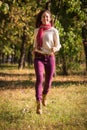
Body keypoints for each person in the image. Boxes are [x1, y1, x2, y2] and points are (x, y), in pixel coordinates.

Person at [33, 10, 61, 114]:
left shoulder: (54, 31)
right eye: (44, 17)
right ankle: (38, 102)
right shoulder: (37, 30)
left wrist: (55, 48)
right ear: (41, 19)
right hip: (38, 57)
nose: (46, 18)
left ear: (50, 18)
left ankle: (44, 95)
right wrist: (34, 49)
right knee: (39, 79)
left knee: (48, 81)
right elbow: (35, 43)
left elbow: (58, 45)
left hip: (50, 57)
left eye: (47, 17)